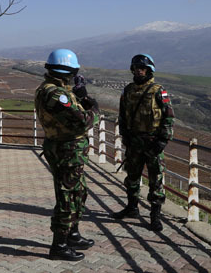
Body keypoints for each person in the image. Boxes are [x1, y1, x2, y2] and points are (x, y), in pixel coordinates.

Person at [35, 49, 100, 261]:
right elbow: (82, 121)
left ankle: (72, 234)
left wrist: (81, 97)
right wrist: (94, 108)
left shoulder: (56, 90)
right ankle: (59, 246)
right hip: (66, 152)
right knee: (67, 198)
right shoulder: (55, 94)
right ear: (66, 72)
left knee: (79, 194)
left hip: (71, 153)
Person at [113, 54, 175, 232]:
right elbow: (122, 115)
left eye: (143, 68)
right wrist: (124, 135)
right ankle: (132, 208)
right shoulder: (128, 90)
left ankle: (155, 216)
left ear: (149, 70)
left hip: (153, 142)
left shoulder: (158, 90)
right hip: (134, 142)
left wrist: (163, 140)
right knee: (132, 177)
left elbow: (168, 117)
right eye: (136, 68)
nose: (139, 71)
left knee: (156, 180)